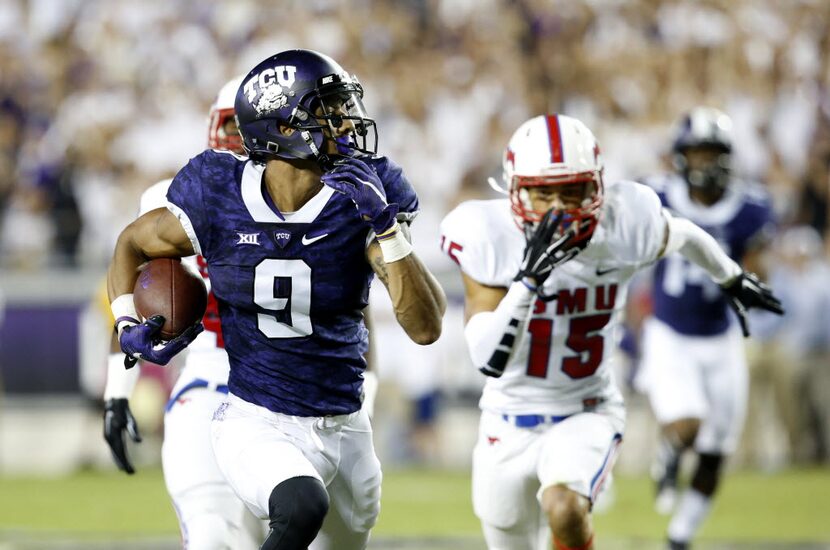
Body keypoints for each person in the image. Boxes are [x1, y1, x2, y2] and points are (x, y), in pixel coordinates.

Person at [106, 49, 446, 550]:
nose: (347, 123)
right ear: (282, 126)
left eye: (343, 106)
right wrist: (123, 324)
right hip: (251, 413)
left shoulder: (365, 192)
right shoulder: (216, 191)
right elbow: (131, 242)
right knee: (288, 511)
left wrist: (388, 229)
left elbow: (425, 328)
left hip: (344, 420)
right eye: (328, 109)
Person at [439, 113, 782, 550]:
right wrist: (527, 282)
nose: (559, 208)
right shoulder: (491, 236)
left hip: (585, 410)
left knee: (565, 508)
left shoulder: (623, 225)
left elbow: (684, 234)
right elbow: (488, 358)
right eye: (543, 194)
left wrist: (730, 277)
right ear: (515, 191)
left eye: (573, 191)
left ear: (597, 187)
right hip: (505, 420)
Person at [102, 76, 269, 549]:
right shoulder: (170, 198)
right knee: (211, 533)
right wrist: (119, 392)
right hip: (209, 380)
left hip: (287, 392)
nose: (240, 136)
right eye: (232, 124)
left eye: (251, 124)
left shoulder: (309, 200)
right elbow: (133, 293)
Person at [636, 107, 776, 549]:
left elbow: (755, 272)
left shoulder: (750, 208)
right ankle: (669, 451)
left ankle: (680, 537)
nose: (705, 163)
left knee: (716, 452)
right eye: (697, 153)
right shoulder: (656, 195)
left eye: (713, 153)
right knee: (689, 426)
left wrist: (753, 280)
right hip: (671, 332)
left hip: (721, 338)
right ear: (681, 157)